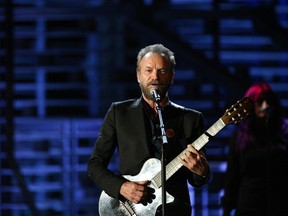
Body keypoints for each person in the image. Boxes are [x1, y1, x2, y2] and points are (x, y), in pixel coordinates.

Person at [87, 43, 211, 216]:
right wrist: (121, 187)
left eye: (162, 71)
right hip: (129, 209)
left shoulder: (191, 119)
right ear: (138, 75)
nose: (155, 77)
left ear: (172, 77)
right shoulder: (119, 112)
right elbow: (95, 165)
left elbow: (196, 180)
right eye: (148, 70)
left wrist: (202, 172)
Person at [221, 82, 288, 216]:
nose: (265, 106)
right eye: (260, 101)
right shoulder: (240, 136)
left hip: (279, 205)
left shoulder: (283, 132)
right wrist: (227, 208)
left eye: (269, 101)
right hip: (248, 206)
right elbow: (232, 175)